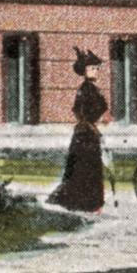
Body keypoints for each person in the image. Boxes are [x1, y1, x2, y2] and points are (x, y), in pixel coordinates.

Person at [47, 47, 108, 213]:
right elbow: (78, 110)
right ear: (84, 71)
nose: (95, 71)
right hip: (84, 135)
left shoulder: (93, 88)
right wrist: (90, 124)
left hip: (89, 133)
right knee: (84, 169)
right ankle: (83, 203)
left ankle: (91, 204)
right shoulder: (85, 89)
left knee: (92, 168)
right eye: (91, 68)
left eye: (96, 68)